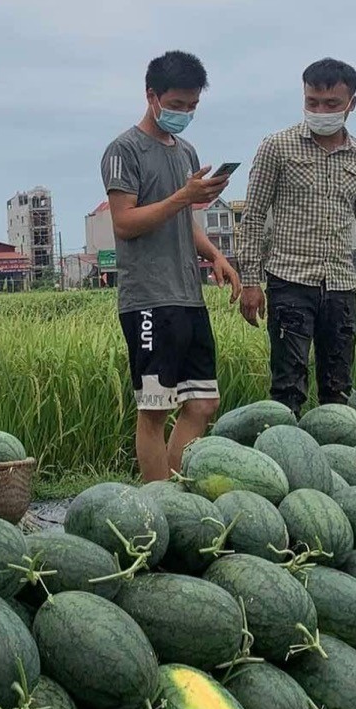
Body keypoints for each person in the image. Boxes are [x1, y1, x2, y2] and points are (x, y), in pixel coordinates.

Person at [101, 50, 242, 482]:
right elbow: (124, 223)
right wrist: (184, 196)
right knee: (155, 407)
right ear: (152, 96)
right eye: (177, 105)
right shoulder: (123, 151)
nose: (184, 113)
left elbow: (184, 220)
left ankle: (176, 492)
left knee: (201, 404)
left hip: (187, 295)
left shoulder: (185, 151)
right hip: (148, 299)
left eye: (192, 106)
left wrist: (216, 256)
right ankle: (156, 502)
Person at [236, 58, 356, 416]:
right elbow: (251, 219)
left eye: (331, 104)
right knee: (288, 388)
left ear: (351, 105)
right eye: (312, 102)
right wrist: (250, 281)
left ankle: (336, 462)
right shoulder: (277, 147)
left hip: (342, 286)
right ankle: (288, 464)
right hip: (290, 282)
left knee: (339, 389)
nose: (320, 111)